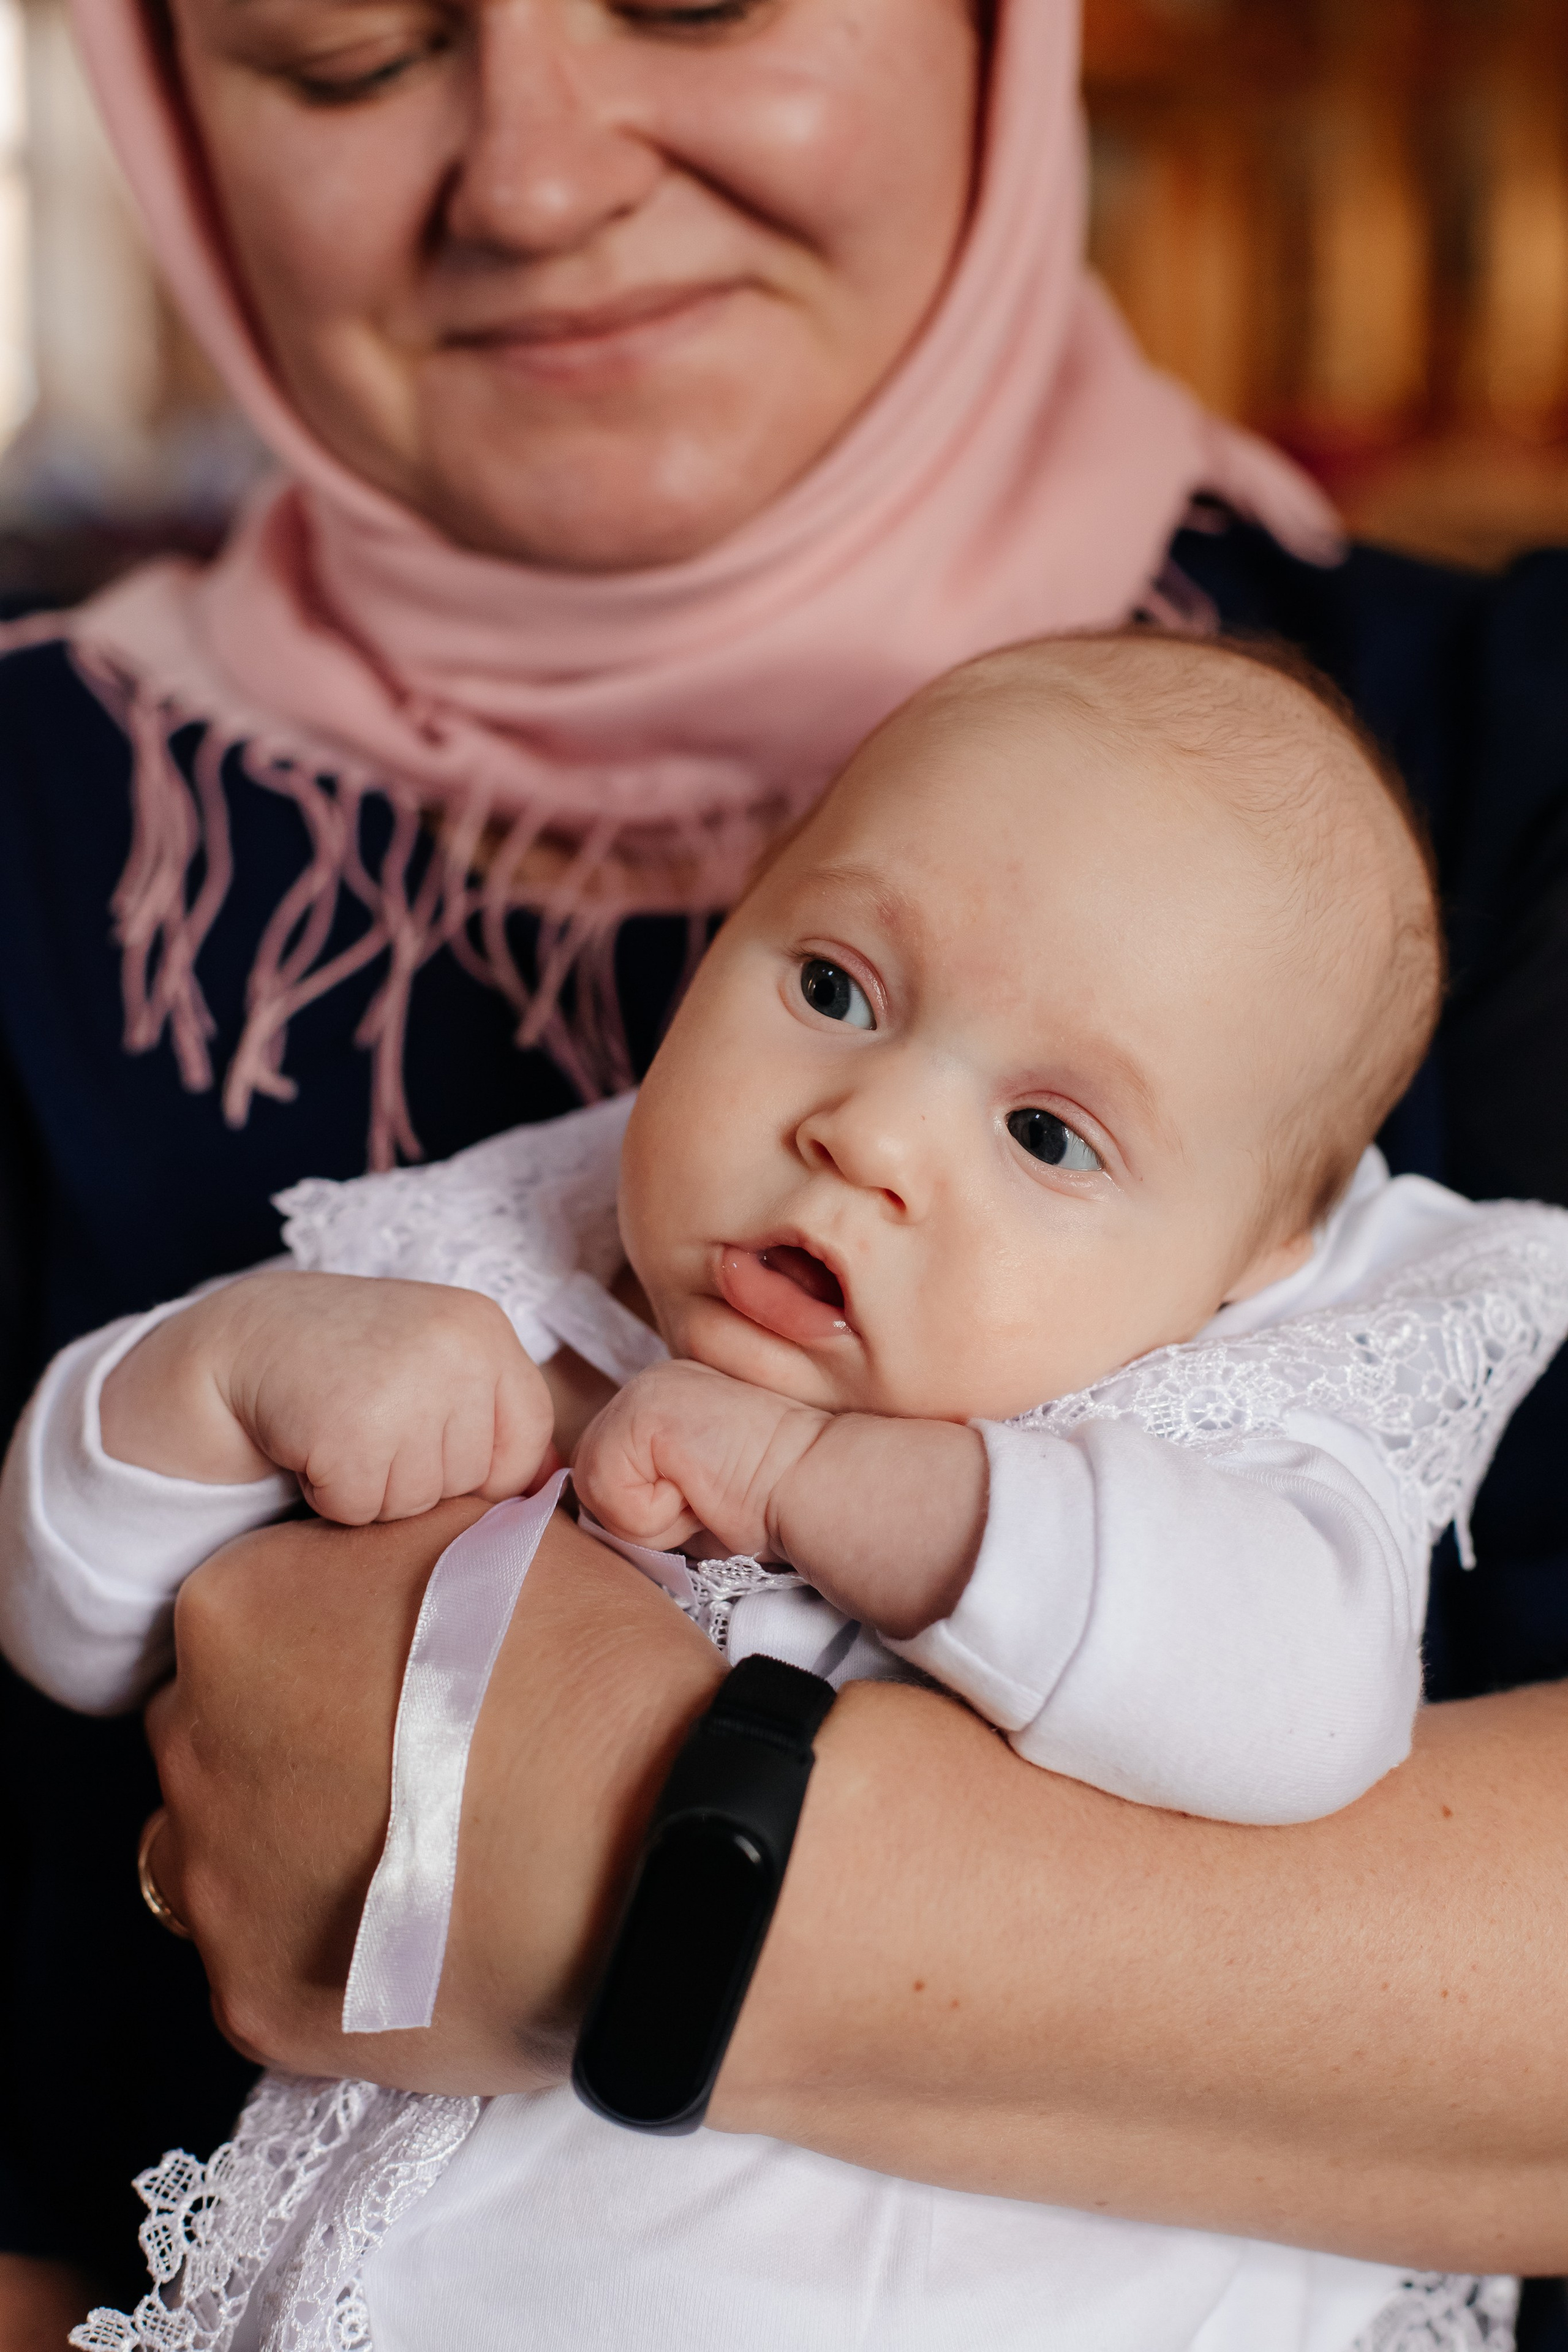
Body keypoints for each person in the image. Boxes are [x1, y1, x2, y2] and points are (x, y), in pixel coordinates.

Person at [0, 0, 1565, 2334]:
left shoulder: (1470, 821)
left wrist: (628, 1871)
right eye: (340, 49)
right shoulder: (474, 1181)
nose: (534, 179)